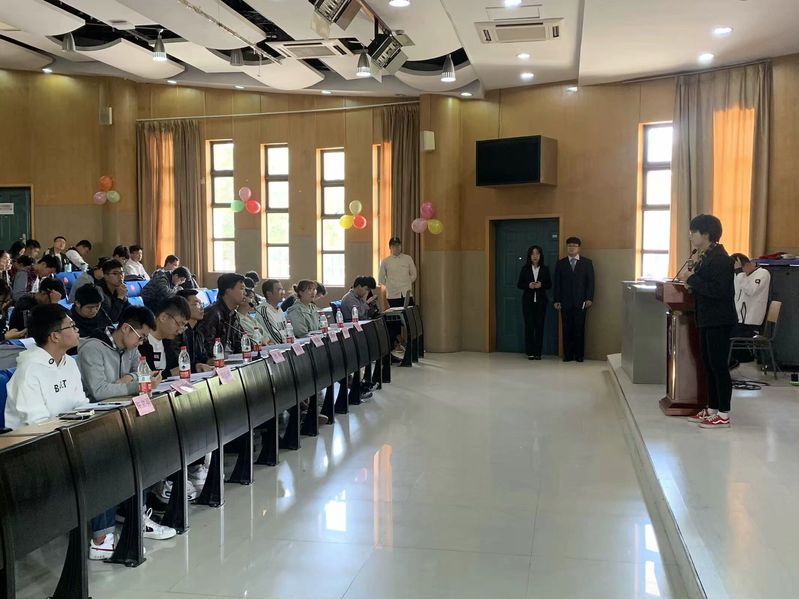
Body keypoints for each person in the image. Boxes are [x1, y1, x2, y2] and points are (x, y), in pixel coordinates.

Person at [676, 214, 737, 429]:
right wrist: (691, 283)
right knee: (708, 365)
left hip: (718, 320)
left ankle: (723, 414)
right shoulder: (706, 256)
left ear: (706, 234)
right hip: (706, 318)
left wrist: (691, 279)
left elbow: (718, 290)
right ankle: (712, 408)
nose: (690, 236)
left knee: (719, 366)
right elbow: (704, 286)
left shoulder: (720, 259)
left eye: (694, 232)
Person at [4, 305, 89, 428]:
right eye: (72, 326)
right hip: (36, 437)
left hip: (68, 432)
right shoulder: (29, 370)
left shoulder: (69, 362)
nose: (77, 330)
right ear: (55, 336)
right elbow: (37, 423)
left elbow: (81, 405)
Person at [77, 305, 158, 402]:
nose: (141, 343)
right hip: (97, 408)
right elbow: (99, 391)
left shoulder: (131, 348)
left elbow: (147, 373)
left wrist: (131, 376)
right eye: (141, 337)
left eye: (144, 339)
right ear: (126, 328)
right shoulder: (92, 349)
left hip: (123, 403)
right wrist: (139, 386)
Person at [553, 237, 594, 363]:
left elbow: (591, 282)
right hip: (565, 302)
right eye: (569, 245)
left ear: (579, 248)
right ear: (567, 247)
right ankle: (568, 355)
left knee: (579, 329)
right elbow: (557, 283)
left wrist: (589, 298)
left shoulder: (587, 263)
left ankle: (579, 355)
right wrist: (556, 300)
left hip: (581, 302)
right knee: (566, 329)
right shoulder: (561, 263)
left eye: (574, 246)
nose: (571, 248)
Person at [729, 253, 771, 367]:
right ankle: (733, 360)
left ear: (746, 264)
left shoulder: (763, 273)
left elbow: (751, 290)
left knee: (726, 334)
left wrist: (739, 272)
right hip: (740, 319)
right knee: (720, 328)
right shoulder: (743, 276)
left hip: (751, 322)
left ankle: (736, 360)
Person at [139, 296, 191, 378]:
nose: (180, 330)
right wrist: (169, 373)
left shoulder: (169, 343)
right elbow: (143, 377)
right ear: (163, 317)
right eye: (179, 324)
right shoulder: (140, 342)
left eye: (183, 326)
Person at [517, 245, 552, 360]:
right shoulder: (525, 269)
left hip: (541, 302)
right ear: (529, 256)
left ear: (540, 255)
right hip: (528, 302)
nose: (535, 256)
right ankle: (530, 352)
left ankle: (538, 353)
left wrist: (541, 285)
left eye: (537, 253)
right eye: (532, 254)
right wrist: (529, 285)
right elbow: (519, 284)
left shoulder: (545, 269)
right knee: (529, 326)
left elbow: (549, 284)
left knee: (539, 327)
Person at [198, 273, 246, 356]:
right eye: (241, 289)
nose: (245, 293)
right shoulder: (213, 313)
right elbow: (207, 347)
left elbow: (239, 342)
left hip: (232, 359)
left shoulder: (233, 314)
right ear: (228, 291)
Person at [169, 289, 214, 372]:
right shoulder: (176, 331)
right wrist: (195, 367)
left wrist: (209, 361)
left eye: (201, 304)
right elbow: (176, 362)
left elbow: (202, 356)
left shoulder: (199, 329)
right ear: (184, 307)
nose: (202, 308)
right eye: (196, 304)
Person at [378, 237, 417, 307]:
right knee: (396, 313)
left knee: (409, 312)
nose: (396, 247)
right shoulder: (386, 261)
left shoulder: (408, 258)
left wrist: (407, 281)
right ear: (390, 247)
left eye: (398, 245)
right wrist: (390, 284)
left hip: (406, 293)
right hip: (393, 295)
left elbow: (414, 274)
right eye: (394, 246)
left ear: (401, 246)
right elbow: (381, 278)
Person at [96, 259, 130, 323]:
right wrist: (120, 297)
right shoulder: (98, 291)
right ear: (106, 276)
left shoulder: (120, 288)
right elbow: (111, 319)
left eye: (121, 273)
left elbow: (129, 311)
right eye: (115, 273)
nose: (120, 276)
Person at [256, 279, 287, 345]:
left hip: (286, 345)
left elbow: (288, 331)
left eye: (282, 289)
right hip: (277, 348)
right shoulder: (263, 311)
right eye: (279, 290)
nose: (282, 293)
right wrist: (289, 344)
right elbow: (274, 338)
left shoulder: (279, 309)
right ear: (269, 293)